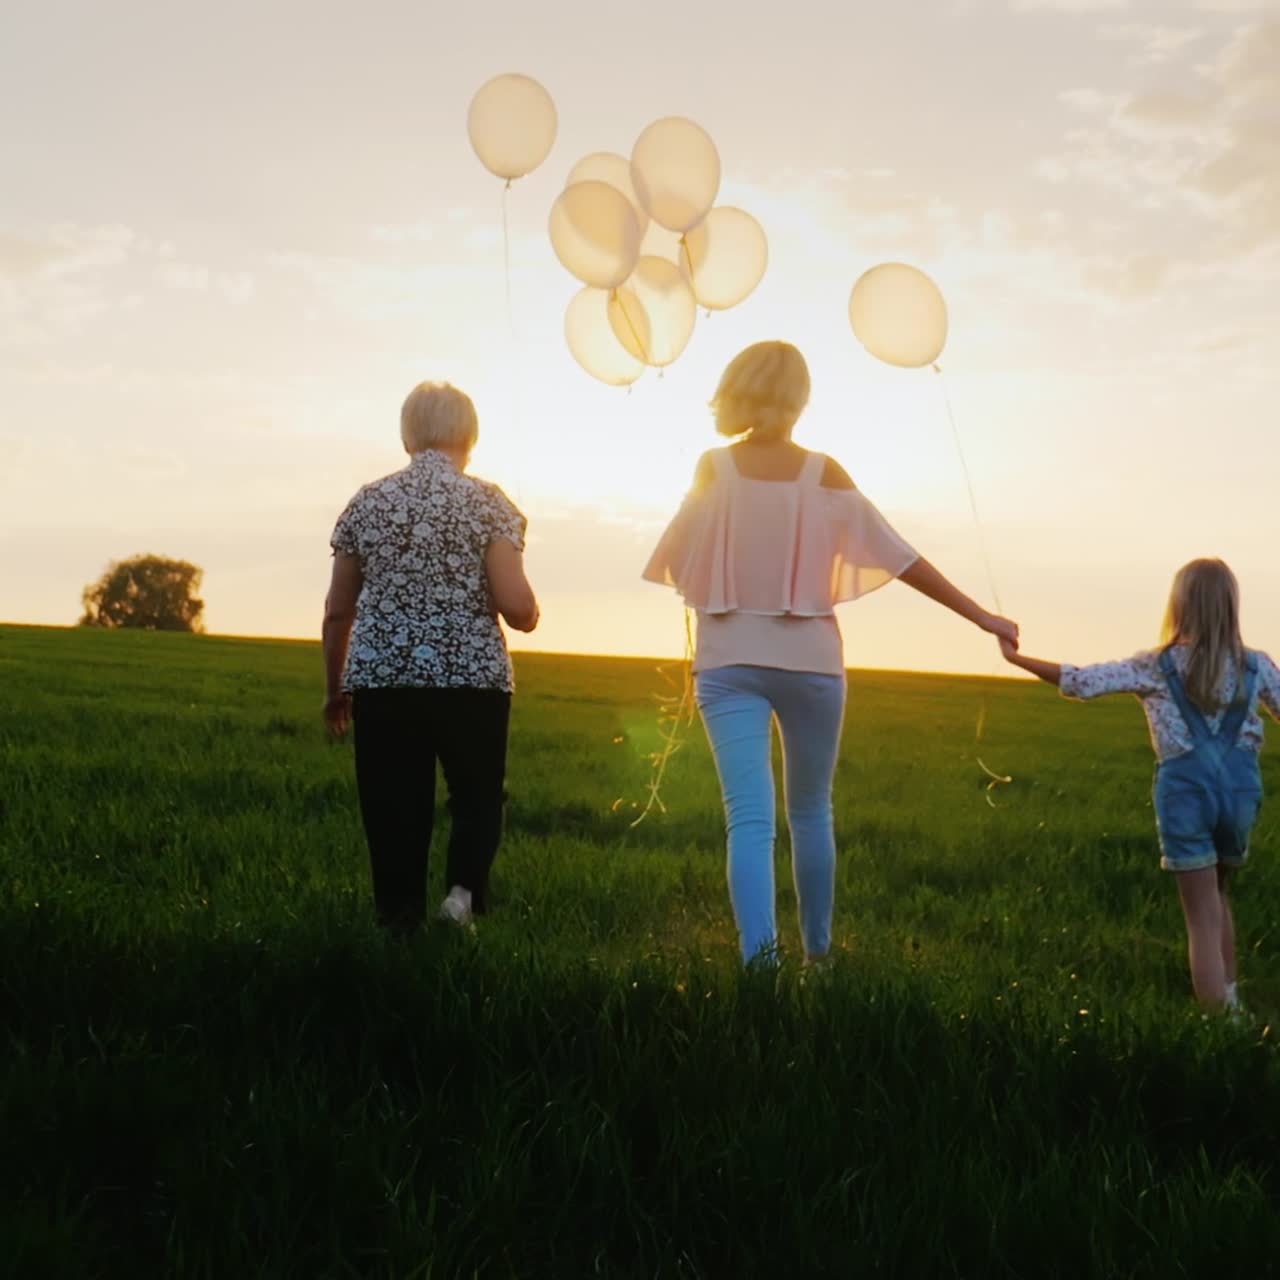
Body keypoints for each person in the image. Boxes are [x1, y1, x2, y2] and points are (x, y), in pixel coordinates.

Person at [642, 340, 1019, 965]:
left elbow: (680, 558)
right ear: (799, 399)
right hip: (813, 664)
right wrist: (981, 616)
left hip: (729, 662)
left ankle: (759, 968)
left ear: (738, 389)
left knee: (749, 821)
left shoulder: (713, 468)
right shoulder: (825, 472)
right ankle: (818, 960)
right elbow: (901, 556)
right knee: (812, 811)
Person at [999, 558, 1279, 1013]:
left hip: (1185, 793)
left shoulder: (1155, 664)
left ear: (1179, 603)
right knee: (1220, 895)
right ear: (1231, 605)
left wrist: (1016, 658)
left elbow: (1083, 681)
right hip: (1241, 793)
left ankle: (1218, 1026)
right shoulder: (1256, 665)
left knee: (1200, 920)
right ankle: (1233, 1003)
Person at [322, 381, 539, 934]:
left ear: (408, 434)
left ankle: (399, 927)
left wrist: (335, 690)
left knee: (394, 808)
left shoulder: (367, 502)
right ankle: (462, 895)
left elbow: (337, 611)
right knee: (477, 796)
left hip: (385, 679)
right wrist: (529, 614)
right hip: (473, 682)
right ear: (470, 436)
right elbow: (516, 606)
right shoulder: (490, 503)